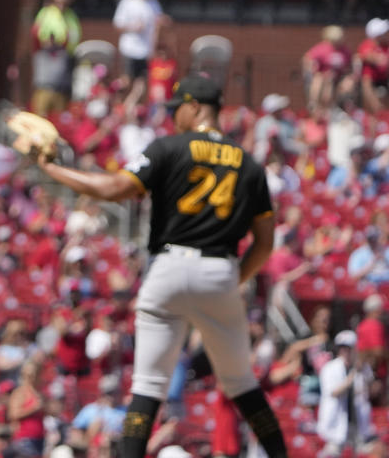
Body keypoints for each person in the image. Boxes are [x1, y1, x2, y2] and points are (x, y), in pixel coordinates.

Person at [32, 72, 287, 458]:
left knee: (148, 387)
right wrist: (235, 279)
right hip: (220, 270)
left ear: (196, 107)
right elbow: (265, 243)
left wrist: (52, 169)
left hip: (168, 267)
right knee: (242, 385)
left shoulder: (169, 147)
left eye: (177, 108)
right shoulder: (250, 164)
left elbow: (114, 188)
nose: (172, 116)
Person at [111, 0, 170, 103]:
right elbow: (117, 24)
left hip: (145, 49)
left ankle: (130, 107)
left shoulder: (153, 2)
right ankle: (114, 97)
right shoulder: (127, 2)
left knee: (141, 83)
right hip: (130, 48)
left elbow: (158, 19)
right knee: (127, 80)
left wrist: (163, 21)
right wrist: (133, 27)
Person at [317, 331, 375, 457]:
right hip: (335, 425)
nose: (345, 352)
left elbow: (371, 392)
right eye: (342, 348)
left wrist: (364, 370)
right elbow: (333, 392)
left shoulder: (363, 367)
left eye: (348, 348)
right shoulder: (330, 368)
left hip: (357, 423)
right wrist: (353, 374)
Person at [30, 0, 81, 116]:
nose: (62, 4)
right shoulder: (47, 13)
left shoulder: (71, 15)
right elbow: (37, 33)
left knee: (60, 111)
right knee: (42, 105)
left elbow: (75, 36)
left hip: (65, 66)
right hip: (47, 64)